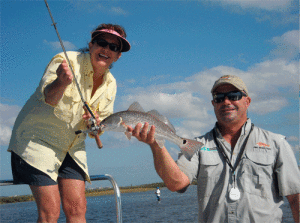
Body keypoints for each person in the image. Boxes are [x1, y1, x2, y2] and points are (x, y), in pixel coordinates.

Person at [128, 75, 300, 223]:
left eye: (234, 95)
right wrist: (155, 143)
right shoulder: (197, 145)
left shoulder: (276, 143)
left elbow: (296, 198)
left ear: (247, 101)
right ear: (213, 104)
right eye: (219, 98)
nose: (226, 101)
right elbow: (176, 183)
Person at [8, 23, 130, 223]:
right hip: (37, 141)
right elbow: (49, 98)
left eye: (114, 47)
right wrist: (61, 82)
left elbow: (96, 130)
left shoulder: (111, 84)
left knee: (77, 209)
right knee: (50, 212)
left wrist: (96, 124)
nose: (106, 49)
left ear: (118, 56)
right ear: (91, 45)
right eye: (102, 42)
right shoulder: (65, 60)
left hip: (72, 146)